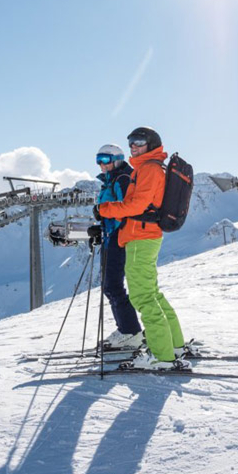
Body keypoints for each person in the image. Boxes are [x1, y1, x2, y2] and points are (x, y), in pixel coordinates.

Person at [95, 127, 190, 370]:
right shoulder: (149, 167)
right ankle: (174, 346)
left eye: (139, 141)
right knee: (153, 294)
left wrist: (104, 210)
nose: (133, 146)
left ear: (152, 143)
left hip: (140, 236)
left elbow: (136, 204)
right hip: (145, 235)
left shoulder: (148, 168)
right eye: (130, 142)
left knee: (144, 297)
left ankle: (161, 355)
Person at [93, 143, 144, 350]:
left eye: (105, 160)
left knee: (113, 285)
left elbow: (126, 208)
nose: (101, 165)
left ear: (117, 159)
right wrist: (100, 226)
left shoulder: (122, 178)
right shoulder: (110, 180)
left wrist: (103, 213)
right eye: (98, 161)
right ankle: (126, 329)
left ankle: (130, 331)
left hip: (119, 237)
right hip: (110, 236)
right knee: (109, 286)